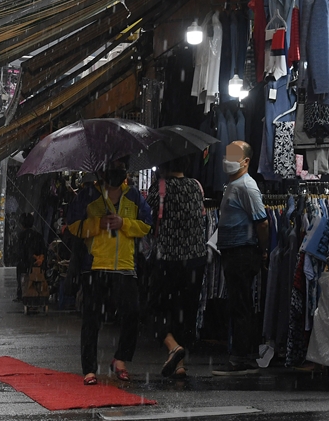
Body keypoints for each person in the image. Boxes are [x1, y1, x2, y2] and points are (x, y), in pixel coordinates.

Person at [67, 158, 152, 385]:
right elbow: (73, 225)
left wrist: (124, 223)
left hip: (125, 265)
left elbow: (147, 224)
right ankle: (89, 369)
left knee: (132, 314)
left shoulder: (133, 196)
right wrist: (98, 224)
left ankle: (120, 359)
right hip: (95, 265)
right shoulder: (87, 196)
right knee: (91, 319)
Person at [145, 156, 208, 379]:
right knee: (185, 311)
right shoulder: (196, 186)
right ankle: (180, 363)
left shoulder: (159, 188)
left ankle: (172, 346)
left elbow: (147, 216)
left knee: (156, 307)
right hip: (195, 259)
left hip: (167, 258)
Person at [211, 141, 269, 376]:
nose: (228, 158)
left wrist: (262, 250)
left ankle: (241, 358)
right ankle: (239, 355)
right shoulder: (233, 185)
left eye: (234, 155)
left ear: (246, 161)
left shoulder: (247, 186)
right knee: (237, 304)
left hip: (242, 252)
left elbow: (262, 221)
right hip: (233, 251)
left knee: (241, 305)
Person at [14, 213, 48, 301]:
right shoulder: (38, 235)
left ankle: (22, 293)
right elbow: (43, 249)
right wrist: (39, 258)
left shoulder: (21, 236)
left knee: (21, 273)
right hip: (37, 263)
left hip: (24, 262)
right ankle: (37, 292)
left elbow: (20, 252)